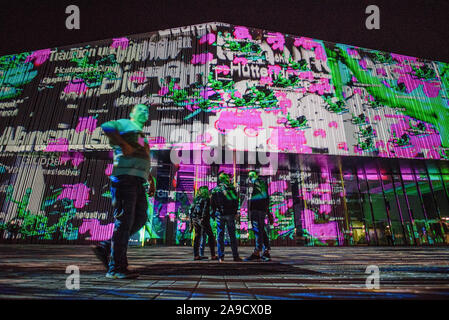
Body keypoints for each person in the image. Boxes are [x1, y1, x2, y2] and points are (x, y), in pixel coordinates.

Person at [92, 104, 152, 279]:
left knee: (141, 218)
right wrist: (123, 143)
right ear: (132, 113)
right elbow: (106, 126)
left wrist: (149, 178)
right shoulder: (125, 123)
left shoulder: (141, 135)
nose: (144, 112)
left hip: (139, 179)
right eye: (140, 109)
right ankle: (116, 268)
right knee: (124, 222)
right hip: (125, 177)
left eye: (147, 110)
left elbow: (143, 156)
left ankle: (106, 246)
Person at [210, 172, 242, 262]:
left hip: (219, 214)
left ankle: (221, 257)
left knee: (220, 236)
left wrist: (213, 214)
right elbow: (235, 201)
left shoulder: (215, 189)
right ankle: (235, 256)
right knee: (232, 236)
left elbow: (212, 204)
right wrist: (235, 212)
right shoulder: (231, 188)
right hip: (230, 214)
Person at [245, 170, 272, 262]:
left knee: (258, 230)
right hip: (260, 209)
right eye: (249, 176)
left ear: (256, 175)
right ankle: (266, 251)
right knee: (261, 230)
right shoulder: (259, 183)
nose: (250, 177)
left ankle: (257, 252)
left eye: (252, 175)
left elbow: (264, 196)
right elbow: (266, 197)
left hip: (258, 210)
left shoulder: (258, 182)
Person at [189, 186, 217, 261]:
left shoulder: (196, 199)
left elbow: (191, 210)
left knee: (197, 236)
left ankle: (196, 255)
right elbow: (205, 209)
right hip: (202, 219)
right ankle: (213, 255)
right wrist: (203, 218)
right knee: (211, 236)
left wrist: (191, 223)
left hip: (195, 219)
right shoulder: (207, 199)